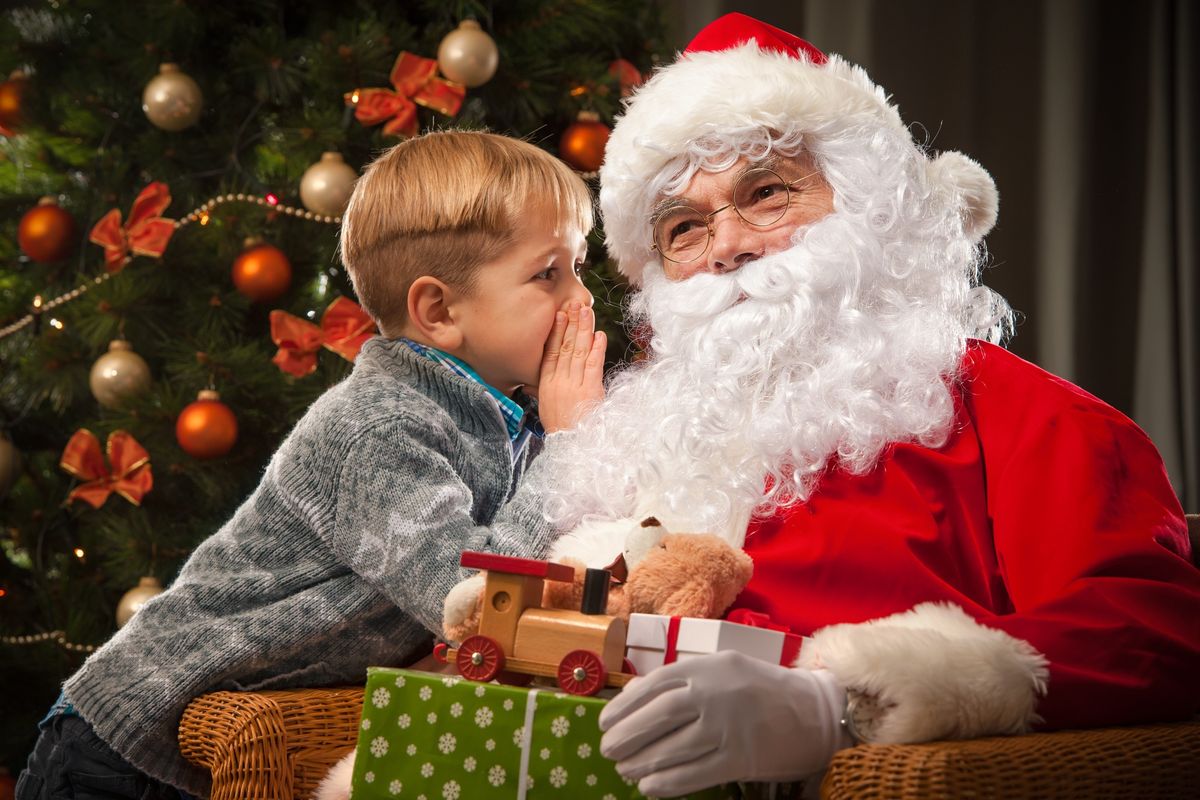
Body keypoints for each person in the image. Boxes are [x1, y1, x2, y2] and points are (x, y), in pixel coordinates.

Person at [532, 13, 1200, 797]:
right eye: (684, 228)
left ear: (870, 204)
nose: (728, 246)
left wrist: (838, 705)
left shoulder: (1032, 418)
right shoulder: (647, 434)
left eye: (767, 194)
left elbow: (1151, 629)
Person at [15, 130, 607, 799]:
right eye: (548, 274)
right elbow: (467, 601)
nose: (581, 300)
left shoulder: (508, 423)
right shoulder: (378, 425)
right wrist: (574, 444)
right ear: (439, 311)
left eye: (579, 267)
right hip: (123, 751)